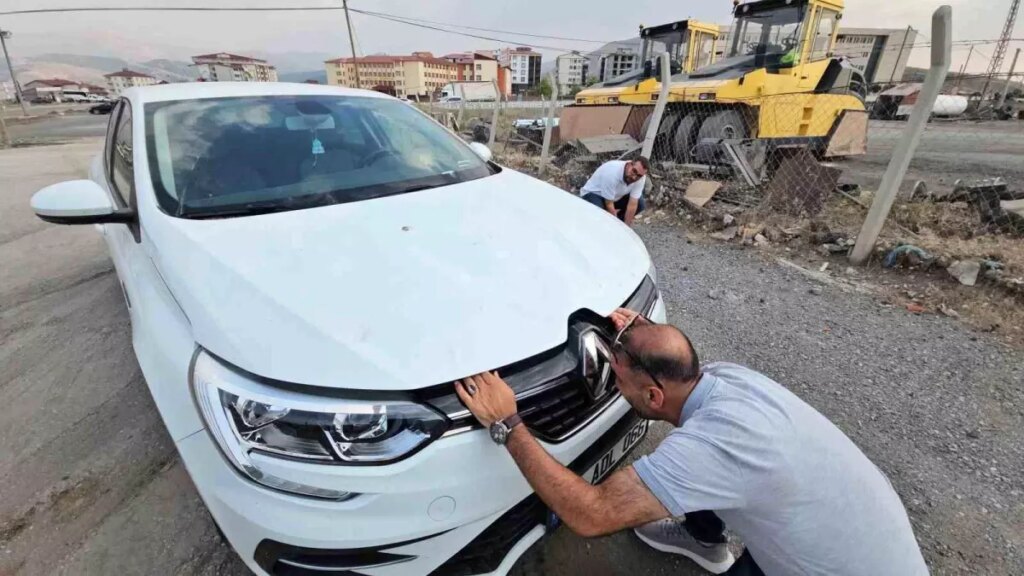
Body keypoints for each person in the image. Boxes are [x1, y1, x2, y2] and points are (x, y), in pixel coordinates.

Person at [455, 309, 928, 576]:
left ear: (653, 396)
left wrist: (508, 423)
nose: (611, 384)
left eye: (616, 379)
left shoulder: (711, 449)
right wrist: (641, 333)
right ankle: (705, 539)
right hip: (861, 541)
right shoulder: (727, 379)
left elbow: (590, 515)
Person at [579, 157, 649, 226]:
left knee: (640, 204)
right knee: (599, 217)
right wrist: (615, 224)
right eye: (634, 171)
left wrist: (626, 226)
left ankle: (619, 225)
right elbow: (609, 203)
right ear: (630, 164)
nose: (634, 177)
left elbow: (632, 204)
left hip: (614, 197)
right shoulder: (612, 172)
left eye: (639, 175)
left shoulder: (641, 178)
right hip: (594, 194)